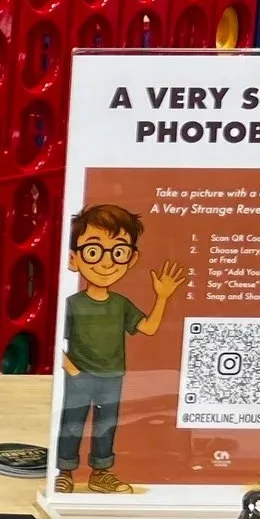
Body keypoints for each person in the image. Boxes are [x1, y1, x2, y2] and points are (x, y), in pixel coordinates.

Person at [54, 204, 185, 495]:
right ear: (75, 258)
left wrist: (162, 297)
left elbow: (148, 328)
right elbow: (56, 342)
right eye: (93, 251)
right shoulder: (73, 304)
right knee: (72, 423)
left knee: (106, 425)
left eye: (118, 252)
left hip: (113, 376)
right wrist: (72, 370)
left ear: (131, 258)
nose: (106, 263)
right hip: (80, 375)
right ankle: (64, 471)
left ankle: (100, 473)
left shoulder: (121, 304)